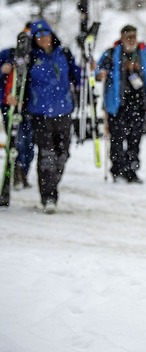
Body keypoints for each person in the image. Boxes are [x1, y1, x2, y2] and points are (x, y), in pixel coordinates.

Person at [96, 24, 146, 184]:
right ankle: (118, 170)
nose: (132, 40)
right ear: (122, 38)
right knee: (117, 139)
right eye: (128, 37)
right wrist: (101, 74)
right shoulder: (112, 53)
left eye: (134, 36)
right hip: (118, 104)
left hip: (139, 103)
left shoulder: (143, 53)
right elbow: (99, 71)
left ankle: (132, 170)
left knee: (135, 140)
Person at [26, 19, 81, 214]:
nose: (43, 39)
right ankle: (49, 196)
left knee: (62, 154)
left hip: (64, 111)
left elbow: (77, 75)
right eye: (39, 36)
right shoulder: (30, 57)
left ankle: (52, 183)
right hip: (40, 114)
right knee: (47, 156)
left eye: (46, 34)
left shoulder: (63, 54)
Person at [0, 22, 35, 191]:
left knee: (29, 144)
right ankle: (15, 172)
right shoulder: (7, 55)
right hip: (10, 106)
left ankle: (24, 172)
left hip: (29, 107)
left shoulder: (35, 58)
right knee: (17, 141)